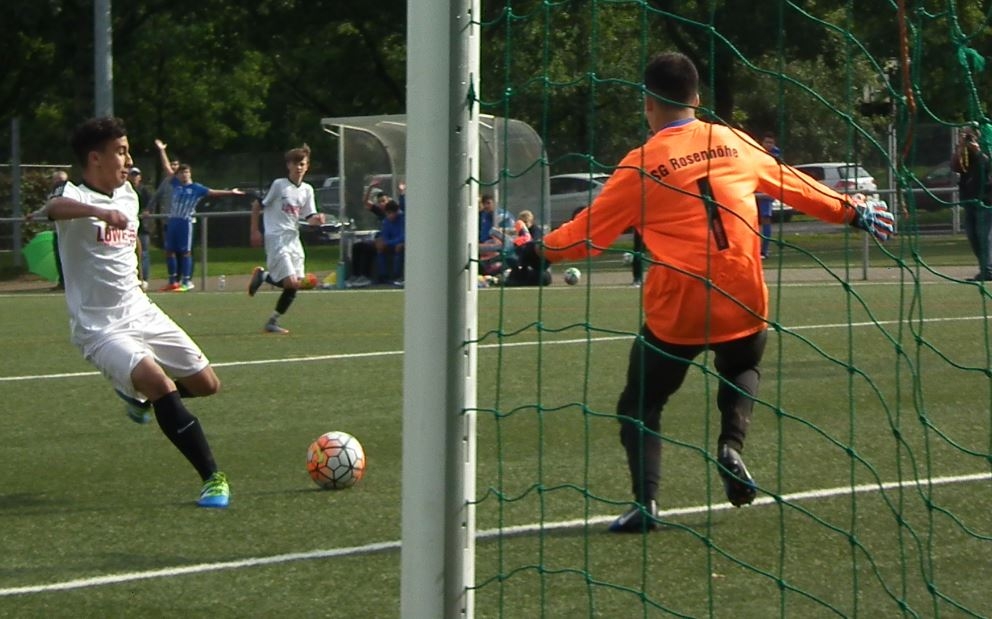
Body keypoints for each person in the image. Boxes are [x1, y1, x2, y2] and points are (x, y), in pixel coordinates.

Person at [519, 51, 893, 532]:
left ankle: (647, 504)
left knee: (640, 403)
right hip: (742, 293)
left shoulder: (640, 165)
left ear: (647, 103)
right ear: (696, 98)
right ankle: (730, 445)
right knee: (742, 366)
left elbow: (587, 235)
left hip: (680, 307)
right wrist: (852, 211)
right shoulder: (733, 140)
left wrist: (538, 253)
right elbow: (795, 186)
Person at [42, 116, 230, 508]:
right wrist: (97, 213)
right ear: (95, 158)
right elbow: (53, 207)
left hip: (141, 311)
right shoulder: (73, 194)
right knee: (159, 382)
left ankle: (141, 400)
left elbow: (129, 243)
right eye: (121, 152)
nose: (128, 160)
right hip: (100, 327)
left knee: (207, 384)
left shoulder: (128, 193)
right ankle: (213, 478)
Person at [247, 144, 326, 334]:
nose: (298, 167)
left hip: (293, 239)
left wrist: (318, 220)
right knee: (290, 282)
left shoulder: (307, 189)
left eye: (302, 164)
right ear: (288, 165)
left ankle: (272, 321)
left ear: (307, 166)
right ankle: (263, 277)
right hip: (277, 237)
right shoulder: (279, 185)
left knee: (295, 284)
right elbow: (257, 205)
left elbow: (309, 216)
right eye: (295, 163)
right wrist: (255, 231)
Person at [154, 139, 244, 291]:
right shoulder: (176, 184)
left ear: (190, 173)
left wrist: (231, 192)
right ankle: (172, 281)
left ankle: (186, 281)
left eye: (186, 172)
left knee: (186, 251)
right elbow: (167, 168)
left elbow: (213, 192)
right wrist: (162, 150)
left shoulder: (197, 188)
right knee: (169, 251)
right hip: (173, 221)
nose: (183, 175)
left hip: (185, 222)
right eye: (181, 172)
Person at [951, 124, 992, 281]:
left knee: (985, 236)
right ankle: (985, 268)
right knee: (973, 236)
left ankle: (988, 270)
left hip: (986, 199)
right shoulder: (965, 152)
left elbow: (988, 166)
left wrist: (978, 151)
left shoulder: (987, 149)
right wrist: (960, 147)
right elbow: (955, 166)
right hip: (969, 198)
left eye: (970, 134)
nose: (968, 137)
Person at [755, 132, 782, 259]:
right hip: (754, 189)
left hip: (767, 191)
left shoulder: (775, 156)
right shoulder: (755, 152)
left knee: (766, 219)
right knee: (752, 220)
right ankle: (754, 249)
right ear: (762, 143)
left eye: (771, 143)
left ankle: (764, 251)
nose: (769, 145)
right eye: (766, 142)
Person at [128, 167, 153, 289]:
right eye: (132, 175)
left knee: (143, 253)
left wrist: (147, 211)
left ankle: (144, 279)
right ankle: (131, 278)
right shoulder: (125, 190)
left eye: (136, 175)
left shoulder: (144, 190)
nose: (134, 177)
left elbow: (151, 204)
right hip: (129, 226)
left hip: (143, 226)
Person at [375, 199, 405, 286]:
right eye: (388, 213)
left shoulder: (402, 220)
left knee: (399, 247)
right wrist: (382, 242)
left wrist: (389, 243)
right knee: (380, 249)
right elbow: (384, 235)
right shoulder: (386, 221)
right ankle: (383, 276)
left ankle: (396, 276)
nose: (389, 216)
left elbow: (403, 237)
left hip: (401, 244)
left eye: (391, 213)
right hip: (390, 243)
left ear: (396, 212)